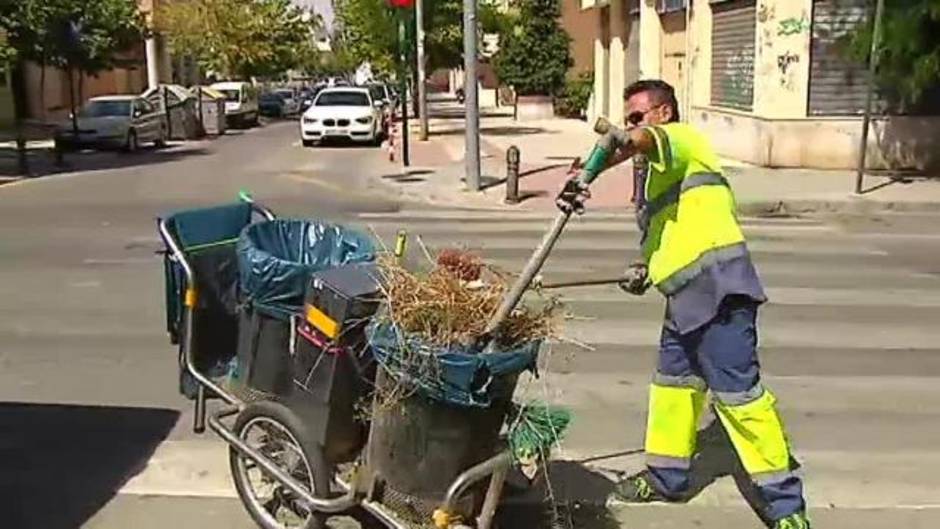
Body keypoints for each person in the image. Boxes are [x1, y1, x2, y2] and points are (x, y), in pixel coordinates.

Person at [557, 79, 810, 529]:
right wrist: (646, 268)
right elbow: (672, 234)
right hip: (684, 302)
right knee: (672, 392)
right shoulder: (658, 173)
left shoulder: (682, 139)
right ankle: (666, 478)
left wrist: (593, 169)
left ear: (663, 113)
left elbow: (638, 141)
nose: (630, 125)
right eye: (626, 117)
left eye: (637, 116)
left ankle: (786, 507)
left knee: (741, 399)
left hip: (720, 296)